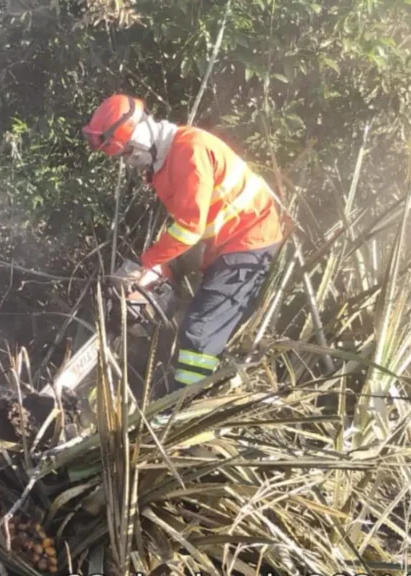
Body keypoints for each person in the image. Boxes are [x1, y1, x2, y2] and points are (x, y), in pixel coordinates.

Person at [82, 93, 284, 399]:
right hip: (219, 241)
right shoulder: (163, 164)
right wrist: (152, 275)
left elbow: (189, 228)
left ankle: (184, 405)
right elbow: (187, 229)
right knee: (150, 289)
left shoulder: (190, 151)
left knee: (199, 328)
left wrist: (144, 265)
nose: (129, 162)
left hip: (248, 241)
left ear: (139, 139)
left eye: (128, 154)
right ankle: (154, 366)